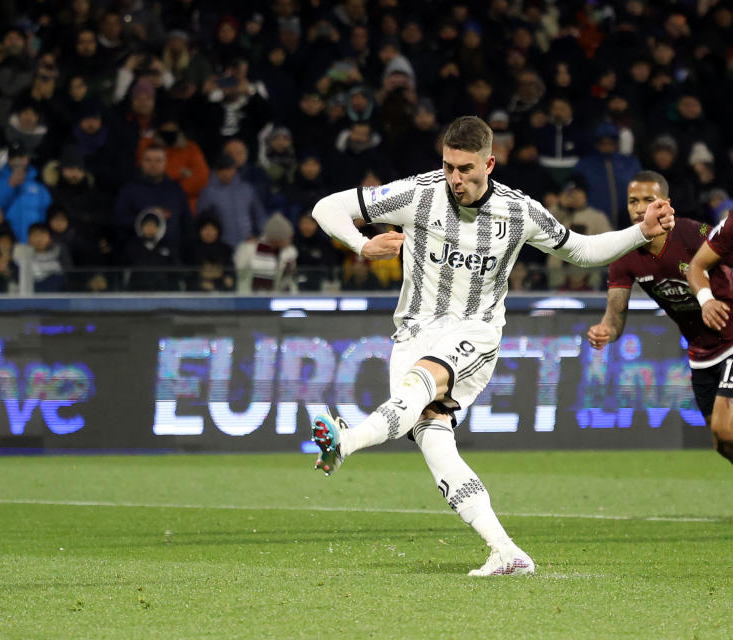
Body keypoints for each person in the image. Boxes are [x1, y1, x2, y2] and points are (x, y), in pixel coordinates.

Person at [309, 116, 675, 577]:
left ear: (490, 163)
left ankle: (346, 440)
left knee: (421, 385)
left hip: (475, 331)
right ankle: (505, 551)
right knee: (435, 441)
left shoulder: (519, 211)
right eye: (448, 167)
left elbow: (580, 250)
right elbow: (326, 208)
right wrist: (363, 246)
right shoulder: (418, 193)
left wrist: (641, 231)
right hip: (413, 330)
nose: (455, 179)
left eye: (466, 169)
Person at [588, 171, 733, 465]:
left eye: (648, 200)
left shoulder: (694, 234)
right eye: (633, 201)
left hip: (731, 339)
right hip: (701, 353)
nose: (640, 208)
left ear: (666, 204)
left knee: (725, 427)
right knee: (720, 443)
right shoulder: (623, 253)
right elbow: (615, 317)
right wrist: (605, 330)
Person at [683, 188, 733, 465]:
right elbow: (696, 267)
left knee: (725, 428)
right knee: (722, 442)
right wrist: (707, 300)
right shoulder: (730, 225)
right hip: (719, 337)